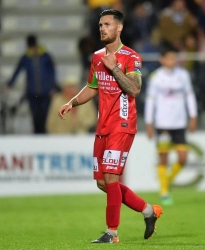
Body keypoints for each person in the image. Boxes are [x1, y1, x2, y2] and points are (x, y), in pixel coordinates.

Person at [58, 9, 162, 244]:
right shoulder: (96, 57)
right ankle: (149, 211)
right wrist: (71, 102)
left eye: (107, 24)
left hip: (122, 124)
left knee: (111, 178)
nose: (102, 28)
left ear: (119, 28)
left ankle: (111, 233)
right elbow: (92, 87)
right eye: (100, 25)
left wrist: (115, 67)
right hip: (103, 125)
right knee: (103, 183)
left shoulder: (131, 57)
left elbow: (135, 89)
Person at [144, 46, 198, 205]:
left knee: (183, 158)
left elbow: (189, 95)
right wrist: (149, 122)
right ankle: (164, 192)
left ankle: (166, 182)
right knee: (163, 158)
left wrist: (193, 116)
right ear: (162, 60)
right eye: (169, 58)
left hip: (180, 123)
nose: (172, 61)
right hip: (163, 123)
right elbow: (150, 100)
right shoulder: (156, 78)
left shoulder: (183, 75)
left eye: (174, 58)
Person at [7, 34, 58, 134]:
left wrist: (52, 87)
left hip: (45, 92)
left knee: (44, 115)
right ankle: (37, 134)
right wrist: (10, 84)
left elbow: (52, 72)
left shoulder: (45, 56)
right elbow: (17, 71)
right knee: (35, 115)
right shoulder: (26, 58)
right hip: (32, 92)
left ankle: (43, 134)